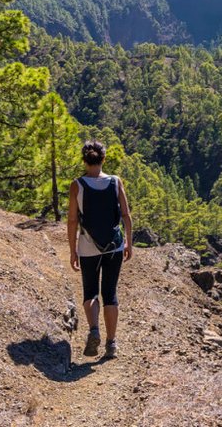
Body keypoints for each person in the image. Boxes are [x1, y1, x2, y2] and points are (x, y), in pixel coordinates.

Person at [68, 140, 133, 359]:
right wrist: (128, 242)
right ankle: (111, 344)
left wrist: (72, 250)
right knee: (110, 293)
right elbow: (125, 214)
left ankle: (94, 329)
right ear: (103, 159)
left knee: (90, 291)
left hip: (88, 247)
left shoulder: (77, 185)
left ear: (84, 160)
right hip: (114, 246)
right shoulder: (115, 182)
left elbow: (72, 221)